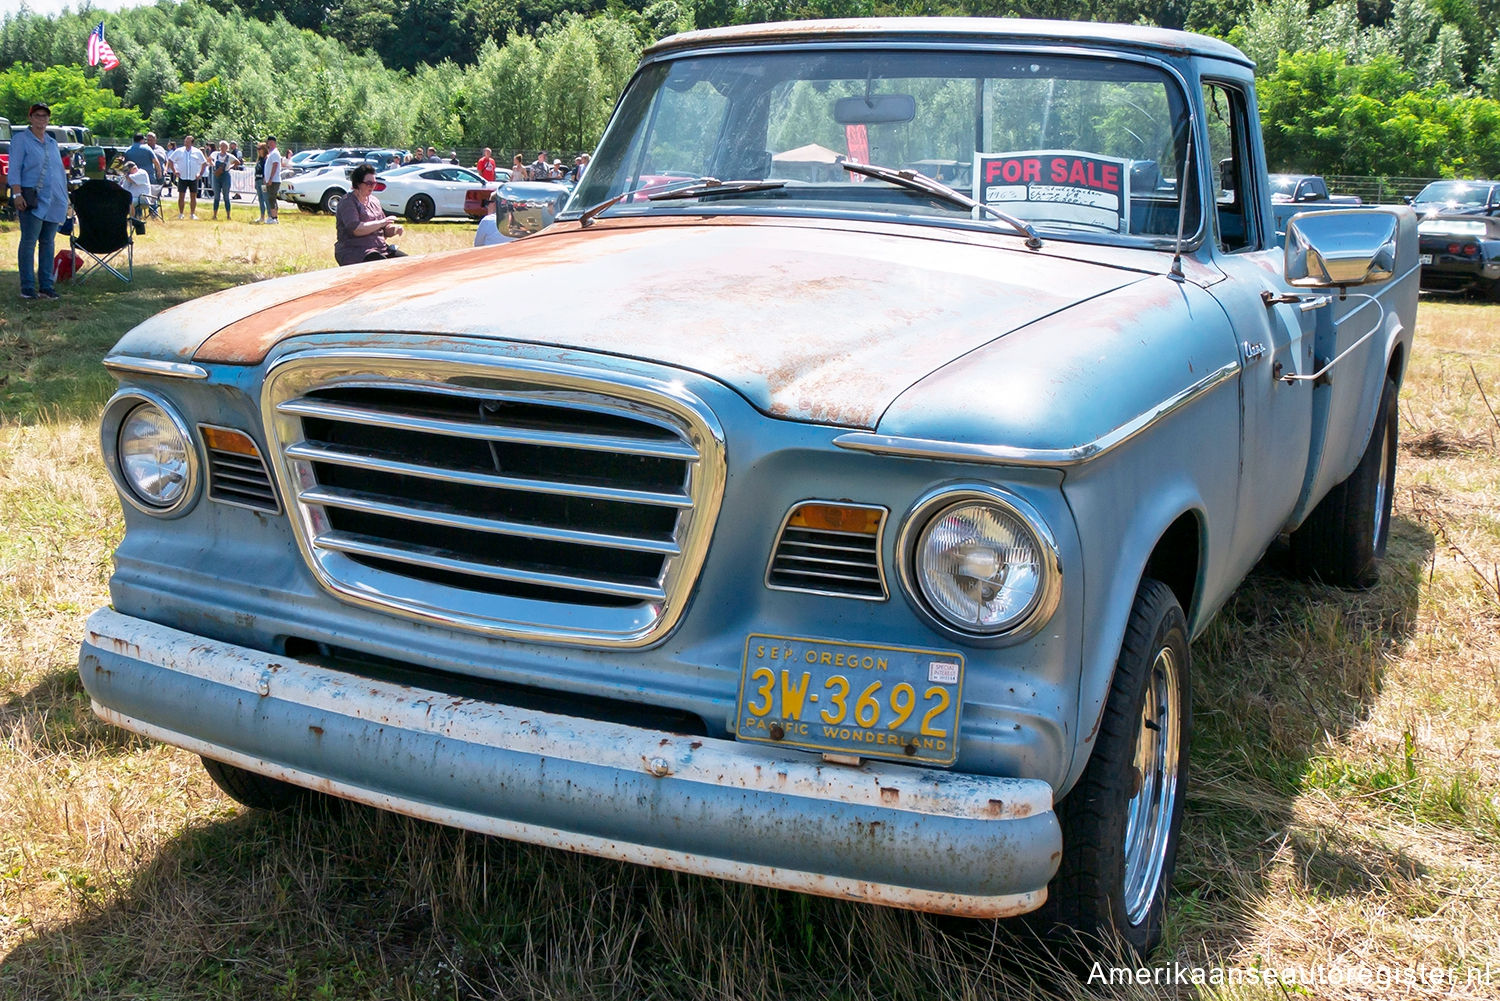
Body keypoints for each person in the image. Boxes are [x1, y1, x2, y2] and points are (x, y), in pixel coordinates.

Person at [11, 103, 69, 300]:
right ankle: (27, 287)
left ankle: (46, 286)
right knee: (28, 243)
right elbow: (14, 169)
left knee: (48, 243)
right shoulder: (20, 140)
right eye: (37, 116)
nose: (41, 120)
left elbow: (59, 172)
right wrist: (16, 194)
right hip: (31, 200)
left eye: (45, 116)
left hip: (53, 200)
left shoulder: (52, 142)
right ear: (30, 118)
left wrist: (65, 198)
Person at [334, 163, 406, 265]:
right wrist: (381, 222)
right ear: (358, 183)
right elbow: (356, 229)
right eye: (369, 183)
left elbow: (385, 230)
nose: (372, 186)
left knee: (408, 264)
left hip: (381, 250)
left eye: (374, 183)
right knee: (384, 266)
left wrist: (394, 229)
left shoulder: (374, 201)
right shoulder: (348, 202)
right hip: (355, 252)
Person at [169, 135, 208, 218]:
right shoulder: (179, 151)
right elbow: (170, 160)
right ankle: (181, 213)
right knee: (181, 195)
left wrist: (200, 174)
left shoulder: (197, 152)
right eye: (185, 141)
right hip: (182, 177)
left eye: (188, 141)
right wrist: (175, 171)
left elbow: (204, 163)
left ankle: (192, 214)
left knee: (193, 196)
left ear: (192, 143)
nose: (186, 142)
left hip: (193, 177)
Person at [114, 155, 152, 222]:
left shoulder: (142, 173)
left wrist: (125, 174)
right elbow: (124, 188)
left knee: (129, 201)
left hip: (143, 198)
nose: (128, 173)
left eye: (129, 171)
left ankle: (132, 220)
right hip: (135, 198)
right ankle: (120, 220)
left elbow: (130, 178)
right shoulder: (130, 176)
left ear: (134, 168)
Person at [208, 140, 239, 220]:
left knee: (226, 196)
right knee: (216, 196)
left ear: (227, 148)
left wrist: (230, 167)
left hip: (225, 175)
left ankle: (228, 215)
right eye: (221, 146)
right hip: (216, 176)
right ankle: (214, 215)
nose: (223, 148)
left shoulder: (229, 156)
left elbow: (237, 162)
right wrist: (213, 165)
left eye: (224, 146)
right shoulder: (215, 154)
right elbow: (209, 159)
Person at [262, 135, 282, 224]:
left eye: (270, 142)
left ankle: (274, 217)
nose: (269, 144)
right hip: (270, 180)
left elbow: (275, 165)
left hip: (274, 180)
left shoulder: (275, 153)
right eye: (268, 142)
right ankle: (273, 217)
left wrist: (270, 178)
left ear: (274, 143)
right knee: (270, 198)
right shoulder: (271, 153)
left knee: (272, 198)